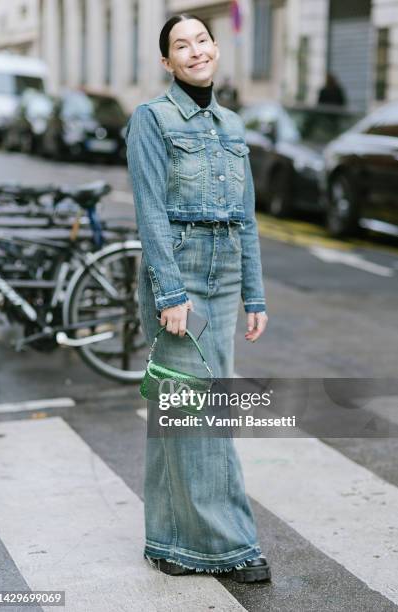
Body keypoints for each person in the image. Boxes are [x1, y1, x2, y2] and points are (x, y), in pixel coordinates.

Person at [126, 14, 270, 582]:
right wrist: (171, 291)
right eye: (180, 46)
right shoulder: (151, 119)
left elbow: (247, 217)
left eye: (202, 41)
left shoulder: (233, 126)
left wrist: (254, 296)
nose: (195, 51)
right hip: (180, 278)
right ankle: (228, 545)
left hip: (226, 275)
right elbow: (150, 212)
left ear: (216, 48)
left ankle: (168, 542)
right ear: (167, 62)